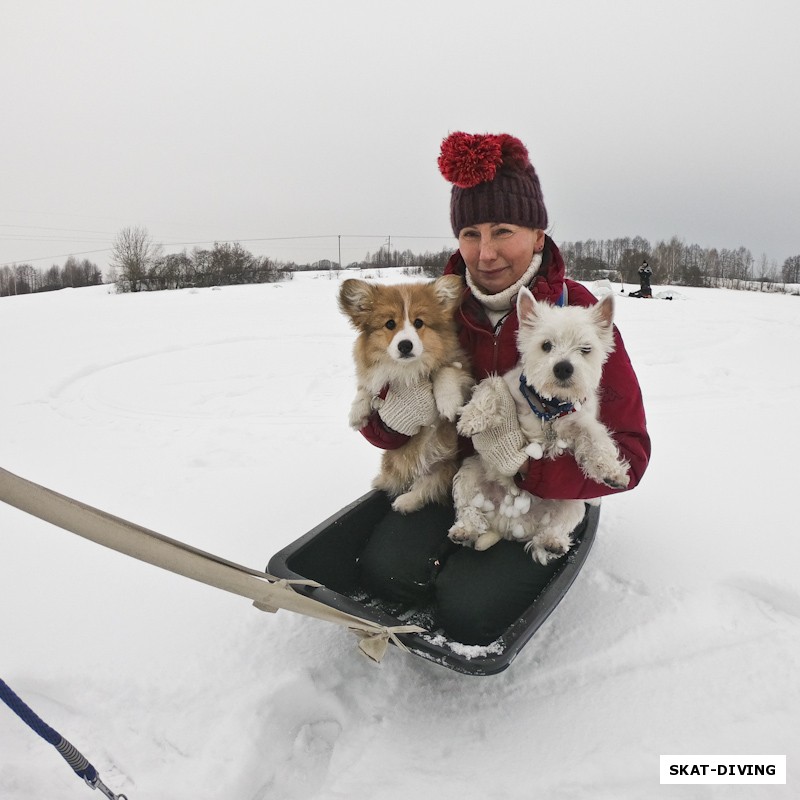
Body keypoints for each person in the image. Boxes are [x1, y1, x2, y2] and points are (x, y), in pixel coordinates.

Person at [355, 132, 650, 645]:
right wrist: (390, 420)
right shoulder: (431, 311)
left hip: (544, 492)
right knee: (385, 573)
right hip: (459, 478)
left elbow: (630, 455)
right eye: (470, 233)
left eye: (503, 231)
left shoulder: (577, 317)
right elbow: (386, 428)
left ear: (538, 234)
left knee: (470, 612)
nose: (485, 253)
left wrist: (527, 466)